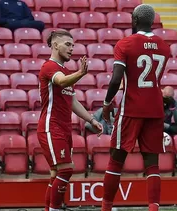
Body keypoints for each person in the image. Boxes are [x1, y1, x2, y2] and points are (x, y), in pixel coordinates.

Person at [100, 4, 171, 211]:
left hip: (132, 107)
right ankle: (153, 208)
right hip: (155, 108)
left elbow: (115, 80)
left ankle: (106, 207)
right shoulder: (164, 46)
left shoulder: (125, 44)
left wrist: (106, 103)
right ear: (152, 21)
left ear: (134, 20)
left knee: (116, 158)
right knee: (152, 162)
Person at [37, 31, 103, 211]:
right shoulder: (49, 67)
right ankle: (55, 209)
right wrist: (81, 73)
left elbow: (72, 100)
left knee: (56, 174)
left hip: (65, 128)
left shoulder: (65, 70)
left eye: (73, 45)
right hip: (51, 127)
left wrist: (91, 119)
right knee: (66, 170)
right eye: (67, 44)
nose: (71, 48)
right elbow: (62, 82)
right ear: (55, 45)